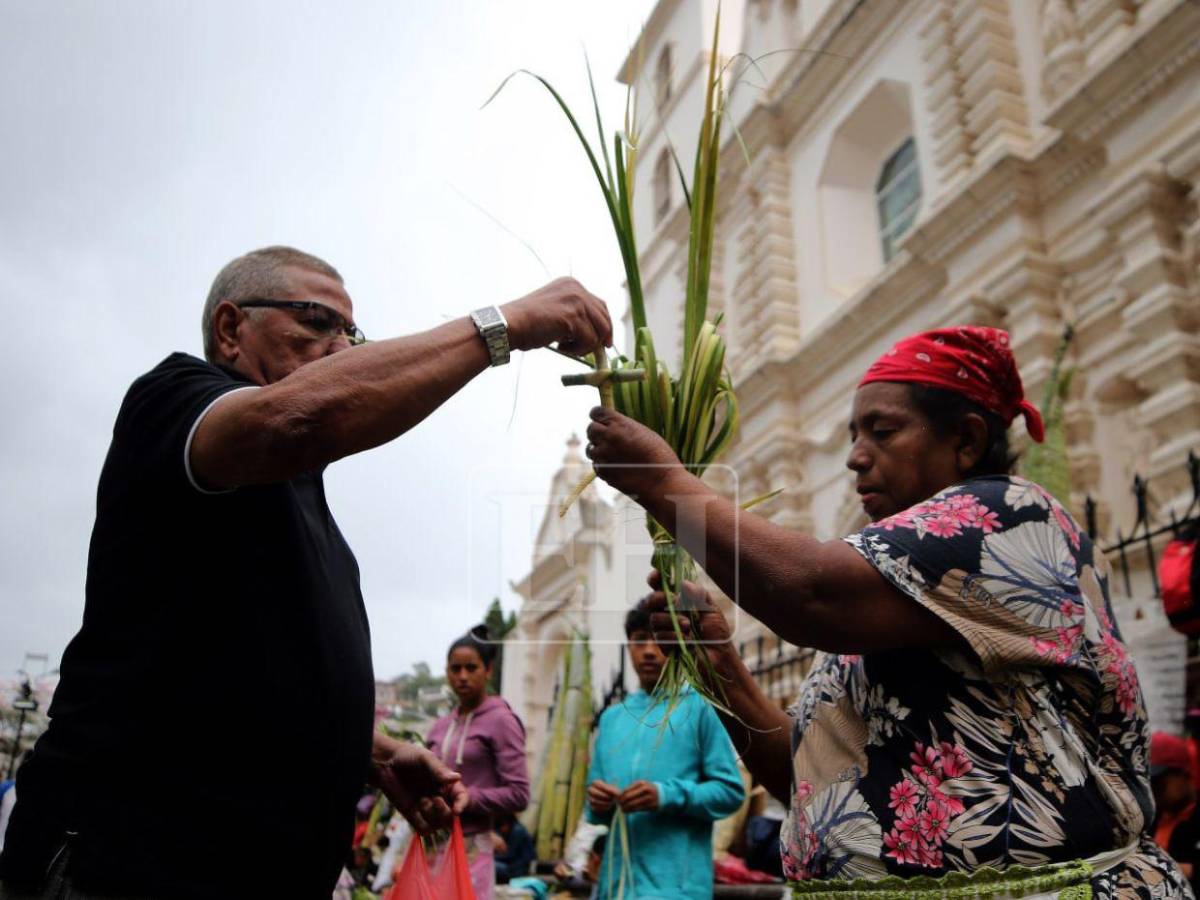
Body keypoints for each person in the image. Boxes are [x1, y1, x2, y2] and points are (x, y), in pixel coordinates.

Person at [0, 246, 611, 899]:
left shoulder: (305, 508)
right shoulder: (176, 400)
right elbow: (298, 418)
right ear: (231, 329)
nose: (343, 347)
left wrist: (374, 754)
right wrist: (507, 324)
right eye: (318, 321)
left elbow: (231, 670)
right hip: (129, 865)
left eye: (353, 333)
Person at [584, 326, 1193, 897]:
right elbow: (804, 778)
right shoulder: (888, 603)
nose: (855, 456)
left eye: (882, 431)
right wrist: (715, 660)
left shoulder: (1009, 514)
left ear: (966, 440)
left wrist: (659, 480)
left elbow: (810, 592)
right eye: (853, 435)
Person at [585, 602, 744, 899]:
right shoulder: (611, 719)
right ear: (629, 645)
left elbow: (730, 792)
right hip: (615, 887)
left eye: (659, 640)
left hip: (677, 889)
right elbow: (594, 814)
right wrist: (597, 801)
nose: (648, 650)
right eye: (639, 639)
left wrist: (665, 795)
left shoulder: (700, 707)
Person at [427, 626, 530, 900]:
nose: (462, 676)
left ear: (488, 670)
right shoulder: (439, 727)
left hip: (473, 848)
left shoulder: (501, 721)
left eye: (471, 668)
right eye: (455, 668)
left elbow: (519, 794)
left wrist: (467, 798)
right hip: (431, 846)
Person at [492, 813, 535, 884]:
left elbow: (510, 855)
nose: (500, 830)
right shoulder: (504, 831)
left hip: (518, 869)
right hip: (510, 866)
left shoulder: (518, 831)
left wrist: (491, 858)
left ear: (507, 824)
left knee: (492, 865)